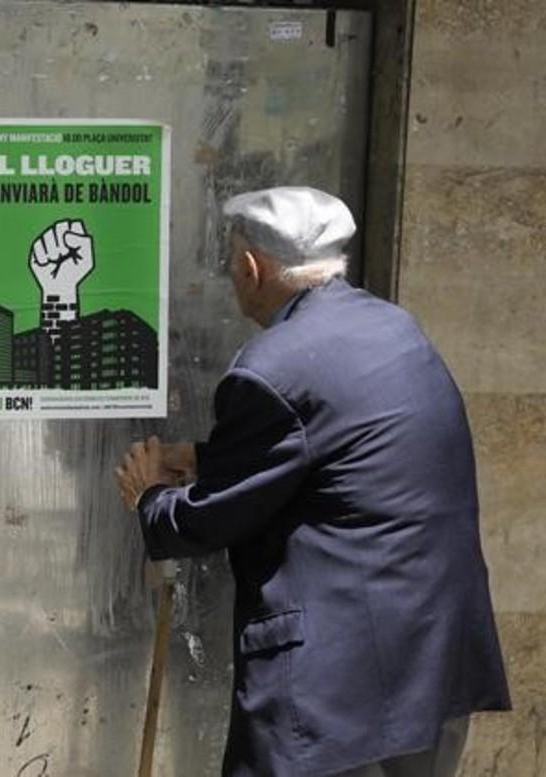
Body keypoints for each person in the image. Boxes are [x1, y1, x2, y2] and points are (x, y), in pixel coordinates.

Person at [114, 187, 510, 777]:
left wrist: (151, 495)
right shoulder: (395, 328)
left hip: (336, 689)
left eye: (231, 262)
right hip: (428, 655)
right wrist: (204, 456)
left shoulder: (269, 367)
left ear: (252, 267)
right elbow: (332, 453)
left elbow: (207, 520)